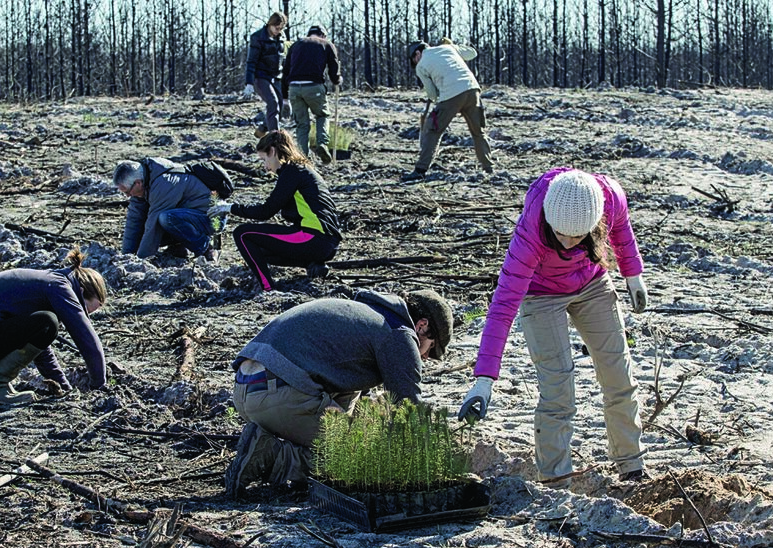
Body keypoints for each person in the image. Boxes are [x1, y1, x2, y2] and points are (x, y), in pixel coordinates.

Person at [458, 168, 650, 486]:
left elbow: (623, 233)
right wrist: (484, 379)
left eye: (576, 237)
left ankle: (632, 467)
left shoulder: (610, 199)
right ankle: (555, 480)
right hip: (541, 293)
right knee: (558, 386)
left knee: (618, 373)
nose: (565, 242)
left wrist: (633, 274)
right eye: (559, 234)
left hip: (592, 283)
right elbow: (503, 306)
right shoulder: (531, 233)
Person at [224, 288, 454, 498]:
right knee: (356, 461)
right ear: (421, 325)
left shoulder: (366, 315)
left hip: (247, 388)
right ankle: (270, 456)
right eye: (430, 349)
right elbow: (410, 413)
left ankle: (268, 440)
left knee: (356, 411)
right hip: (278, 394)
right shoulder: (399, 335)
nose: (424, 357)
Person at [0, 248, 108, 405]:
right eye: (84, 309)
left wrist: (62, 387)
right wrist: (99, 386)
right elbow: (87, 340)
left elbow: (39, 345)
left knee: (44, 323)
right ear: (82, 291)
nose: (83, 315)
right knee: (48, 321)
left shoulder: (46, 281)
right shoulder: (59, 286)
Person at [209, 130, 342, 292]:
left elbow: (266, 211)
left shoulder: (292, 172)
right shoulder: (303, 169)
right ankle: (313, 264)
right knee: (259, 252)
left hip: (314, 238)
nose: (266, 167)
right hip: (327, 244)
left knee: (242, 234)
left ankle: (267, 288)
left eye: (264, 159)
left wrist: (230, 208)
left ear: (272, 151)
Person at [404, 40, 493, 181]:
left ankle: (420, 170)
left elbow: (432, 95)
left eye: (414, 59)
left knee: (433, 130)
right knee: (478, 132)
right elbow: (472, 53)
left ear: (418, 53)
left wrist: (438, 95)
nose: (415, 62)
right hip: (473, 89)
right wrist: (453, 46)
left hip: (451, 94)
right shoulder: (448, 48)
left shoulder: (421, 66)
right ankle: (489, 168)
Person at [114, 158, 218, 261]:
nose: (127, 196)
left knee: (166, 218)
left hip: (212, 219)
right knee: (144, 227)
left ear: (138, 183)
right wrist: (126, 257)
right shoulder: (143, 182)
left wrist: (141, 261)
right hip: (187, 217)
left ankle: (206, 248)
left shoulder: (164, 183)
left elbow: (153, 227)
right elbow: (134, 221)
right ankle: (178, 247)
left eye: (127, 192)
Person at [281, 24, 342, 163]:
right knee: (322, 115)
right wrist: (337, 80)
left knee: (302, 124)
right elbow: (333, 67)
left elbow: (285, 71)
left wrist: (284, 96)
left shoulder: (295, 45)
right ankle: (322, 143)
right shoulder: (326, 44)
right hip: (314, 87)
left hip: (294, 88)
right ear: (322, 35)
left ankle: (303, 158)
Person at [243, 11, 288, 138]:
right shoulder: (257, 37)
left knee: (279, 105)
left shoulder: (281, 38)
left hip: (276, 76)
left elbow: (281, 58)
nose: (278, 31)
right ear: (270, 24)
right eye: (276, 28)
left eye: (281, 29)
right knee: (272, 102)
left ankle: (263, 128)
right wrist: (249, 83)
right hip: (261, 76)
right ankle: (275, 138)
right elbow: (251, 61)